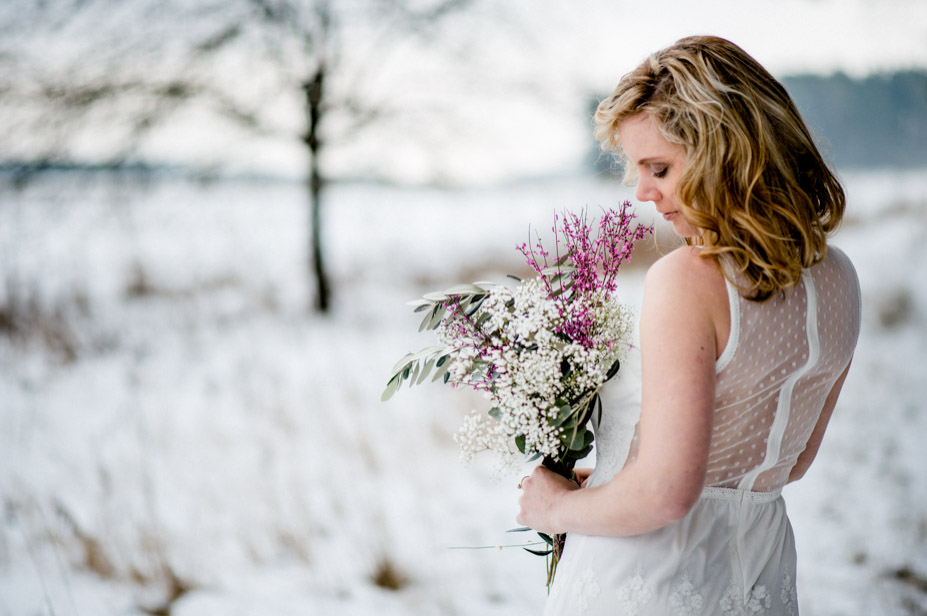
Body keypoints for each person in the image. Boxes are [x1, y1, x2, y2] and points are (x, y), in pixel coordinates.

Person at [516, 35, 861, 614]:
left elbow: (666, 492)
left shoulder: (688, 280)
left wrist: (553, 509)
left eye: (659, 168)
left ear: (724, 152)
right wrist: (609, 481)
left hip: (646, 578)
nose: (644, 193)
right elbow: (790, 460)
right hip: (760, 569)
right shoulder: (839, 278)